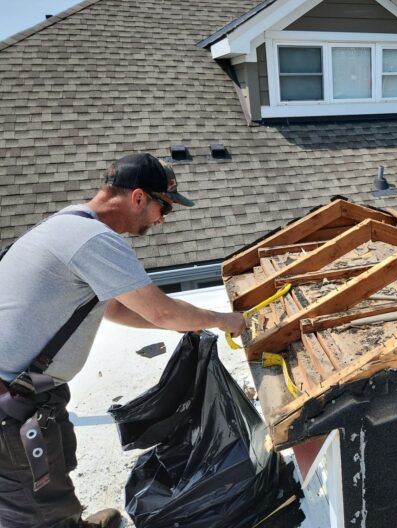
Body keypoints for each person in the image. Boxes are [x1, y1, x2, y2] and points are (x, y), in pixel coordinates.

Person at [0, 153, 247, 528]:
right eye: (162, 207)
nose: (162, 219)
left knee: (55, 468)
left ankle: (71, 521)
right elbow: (160, 309)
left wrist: (181, 326)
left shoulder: (70, 222)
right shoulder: (93, 239)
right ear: (137, 198)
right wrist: (224, 320)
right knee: (34, 504)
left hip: (31, 392)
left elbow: (114, 308)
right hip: (11, 402)